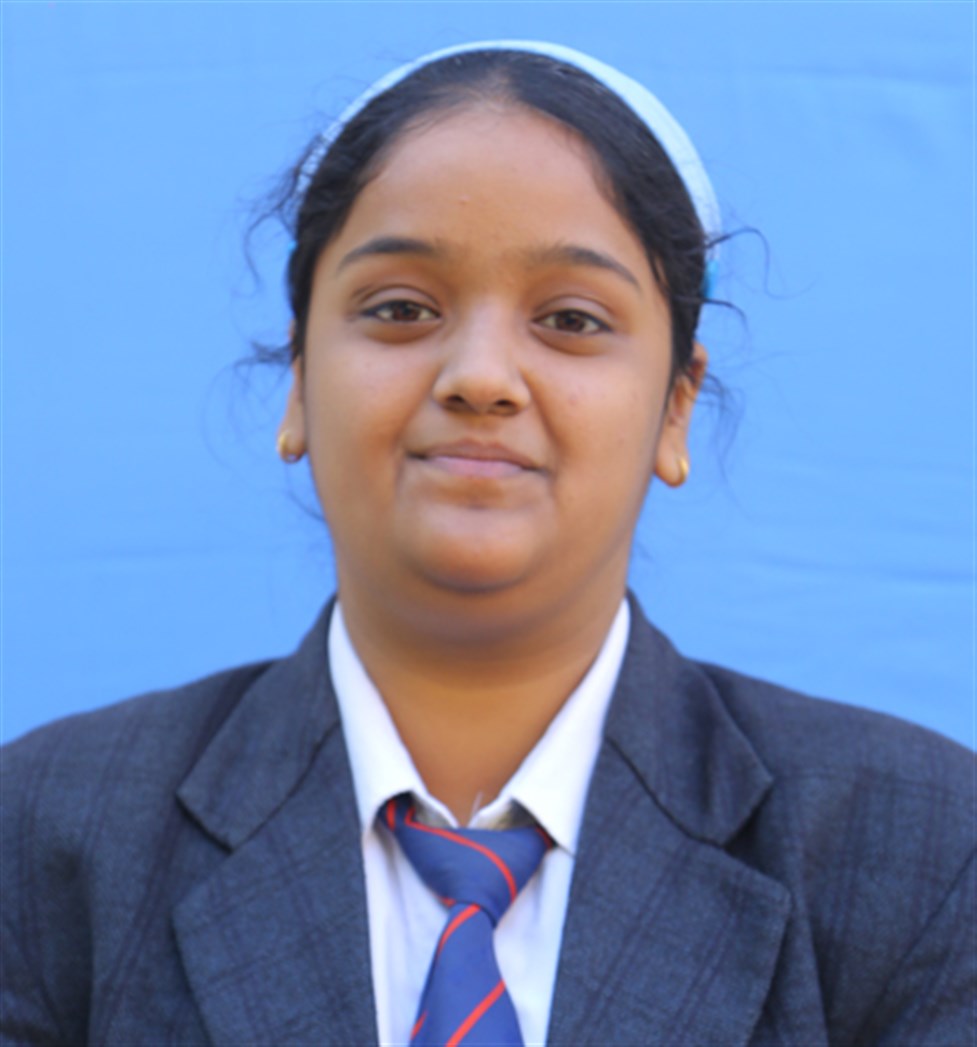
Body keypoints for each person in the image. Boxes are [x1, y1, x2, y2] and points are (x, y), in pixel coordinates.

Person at [1, 40, 973, 1047]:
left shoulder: (922, 849)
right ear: (297, 379)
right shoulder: (42, 837)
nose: (478, 376)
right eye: (400, 309)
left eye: (570, 320)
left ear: (676, 405)